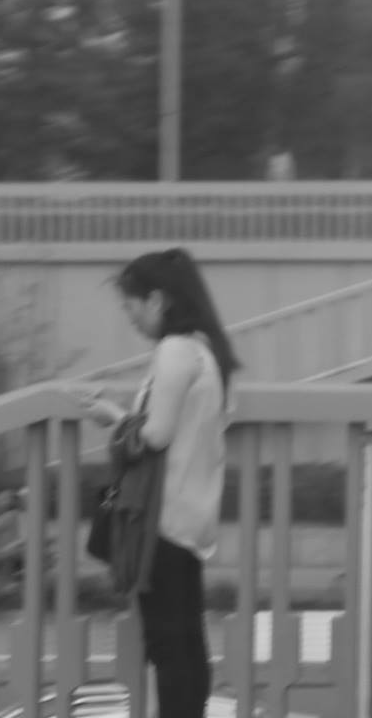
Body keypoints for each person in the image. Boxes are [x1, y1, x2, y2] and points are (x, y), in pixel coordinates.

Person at [76, 248, 240, 718]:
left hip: (160, 521)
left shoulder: (174, 351)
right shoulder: (206, 352)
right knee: (187, 642)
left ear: (157, 300)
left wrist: (113, 418)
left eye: (131, 305)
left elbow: (154, 434)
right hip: (190, 521)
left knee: (168, 647)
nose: (130, 317)